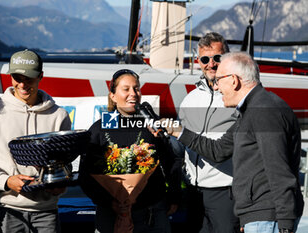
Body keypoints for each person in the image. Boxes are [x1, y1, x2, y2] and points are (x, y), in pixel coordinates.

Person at [166, 52, 304, 233]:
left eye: (218, 81)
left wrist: (284, 225)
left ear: (233, 80)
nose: (216, 88)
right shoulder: (250, 112)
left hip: (269, 218)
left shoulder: (263, 111)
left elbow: (279, 171)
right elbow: (218, 150)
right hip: (258, 216)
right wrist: (179, 132)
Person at [0, 50, 71, 233]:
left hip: (47, 212)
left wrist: (60, 182)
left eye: (28, 78)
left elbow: (64, 163)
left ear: (41, 76)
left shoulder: (59, 115)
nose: (22, 84)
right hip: (4, 210)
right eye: (17, 77)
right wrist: (6, 181)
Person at [79, 69, 182, 233]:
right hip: (110, 214)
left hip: (151, 212)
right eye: (126, 89)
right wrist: (109, 202)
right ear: (112, 95)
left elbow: (171, 161)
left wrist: (174, 195)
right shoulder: (99, 128)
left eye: (136, 88)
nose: (133, 94)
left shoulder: (152, 126)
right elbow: (86, 175)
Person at [178, 32, 240, 233]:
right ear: (198, 61)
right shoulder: (190, 99)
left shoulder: (238, 98)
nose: (211, 64)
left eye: (217, 58)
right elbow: (180, 146)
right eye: (205, 59)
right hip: (193, 194)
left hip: (225, 193)